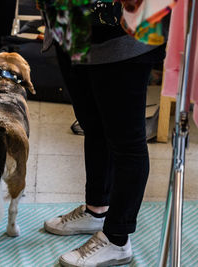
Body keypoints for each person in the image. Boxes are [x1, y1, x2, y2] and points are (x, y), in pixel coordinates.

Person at [42, 2, 168, 266]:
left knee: (127, 141)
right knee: (93, 123)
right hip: (70, 21)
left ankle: (117, 239)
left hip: (122, 30)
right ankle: (96, 209)